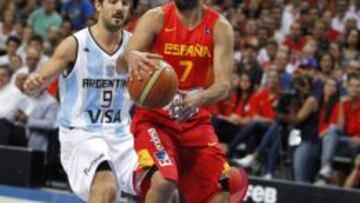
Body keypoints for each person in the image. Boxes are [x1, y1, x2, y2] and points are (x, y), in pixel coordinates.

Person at [122, 1, 248, 202]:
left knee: (222, 195)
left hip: (195, 123)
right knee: (164, 183)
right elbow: (122, 60)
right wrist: (130, 56)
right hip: (155, 121)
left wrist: (201, 98)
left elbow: (224, 86)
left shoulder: (220, 27)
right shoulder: (155, 17)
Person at [22, 0, 140, 202]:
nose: (120, 7)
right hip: (81, 133)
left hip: (122, 135)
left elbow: (153, 89)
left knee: (163, 185)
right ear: (98, 5)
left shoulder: (136, 46)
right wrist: (33, 83)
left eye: (125, 3)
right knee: (105, 187)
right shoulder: (74, 44)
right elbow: (42, 79)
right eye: (113, 1)